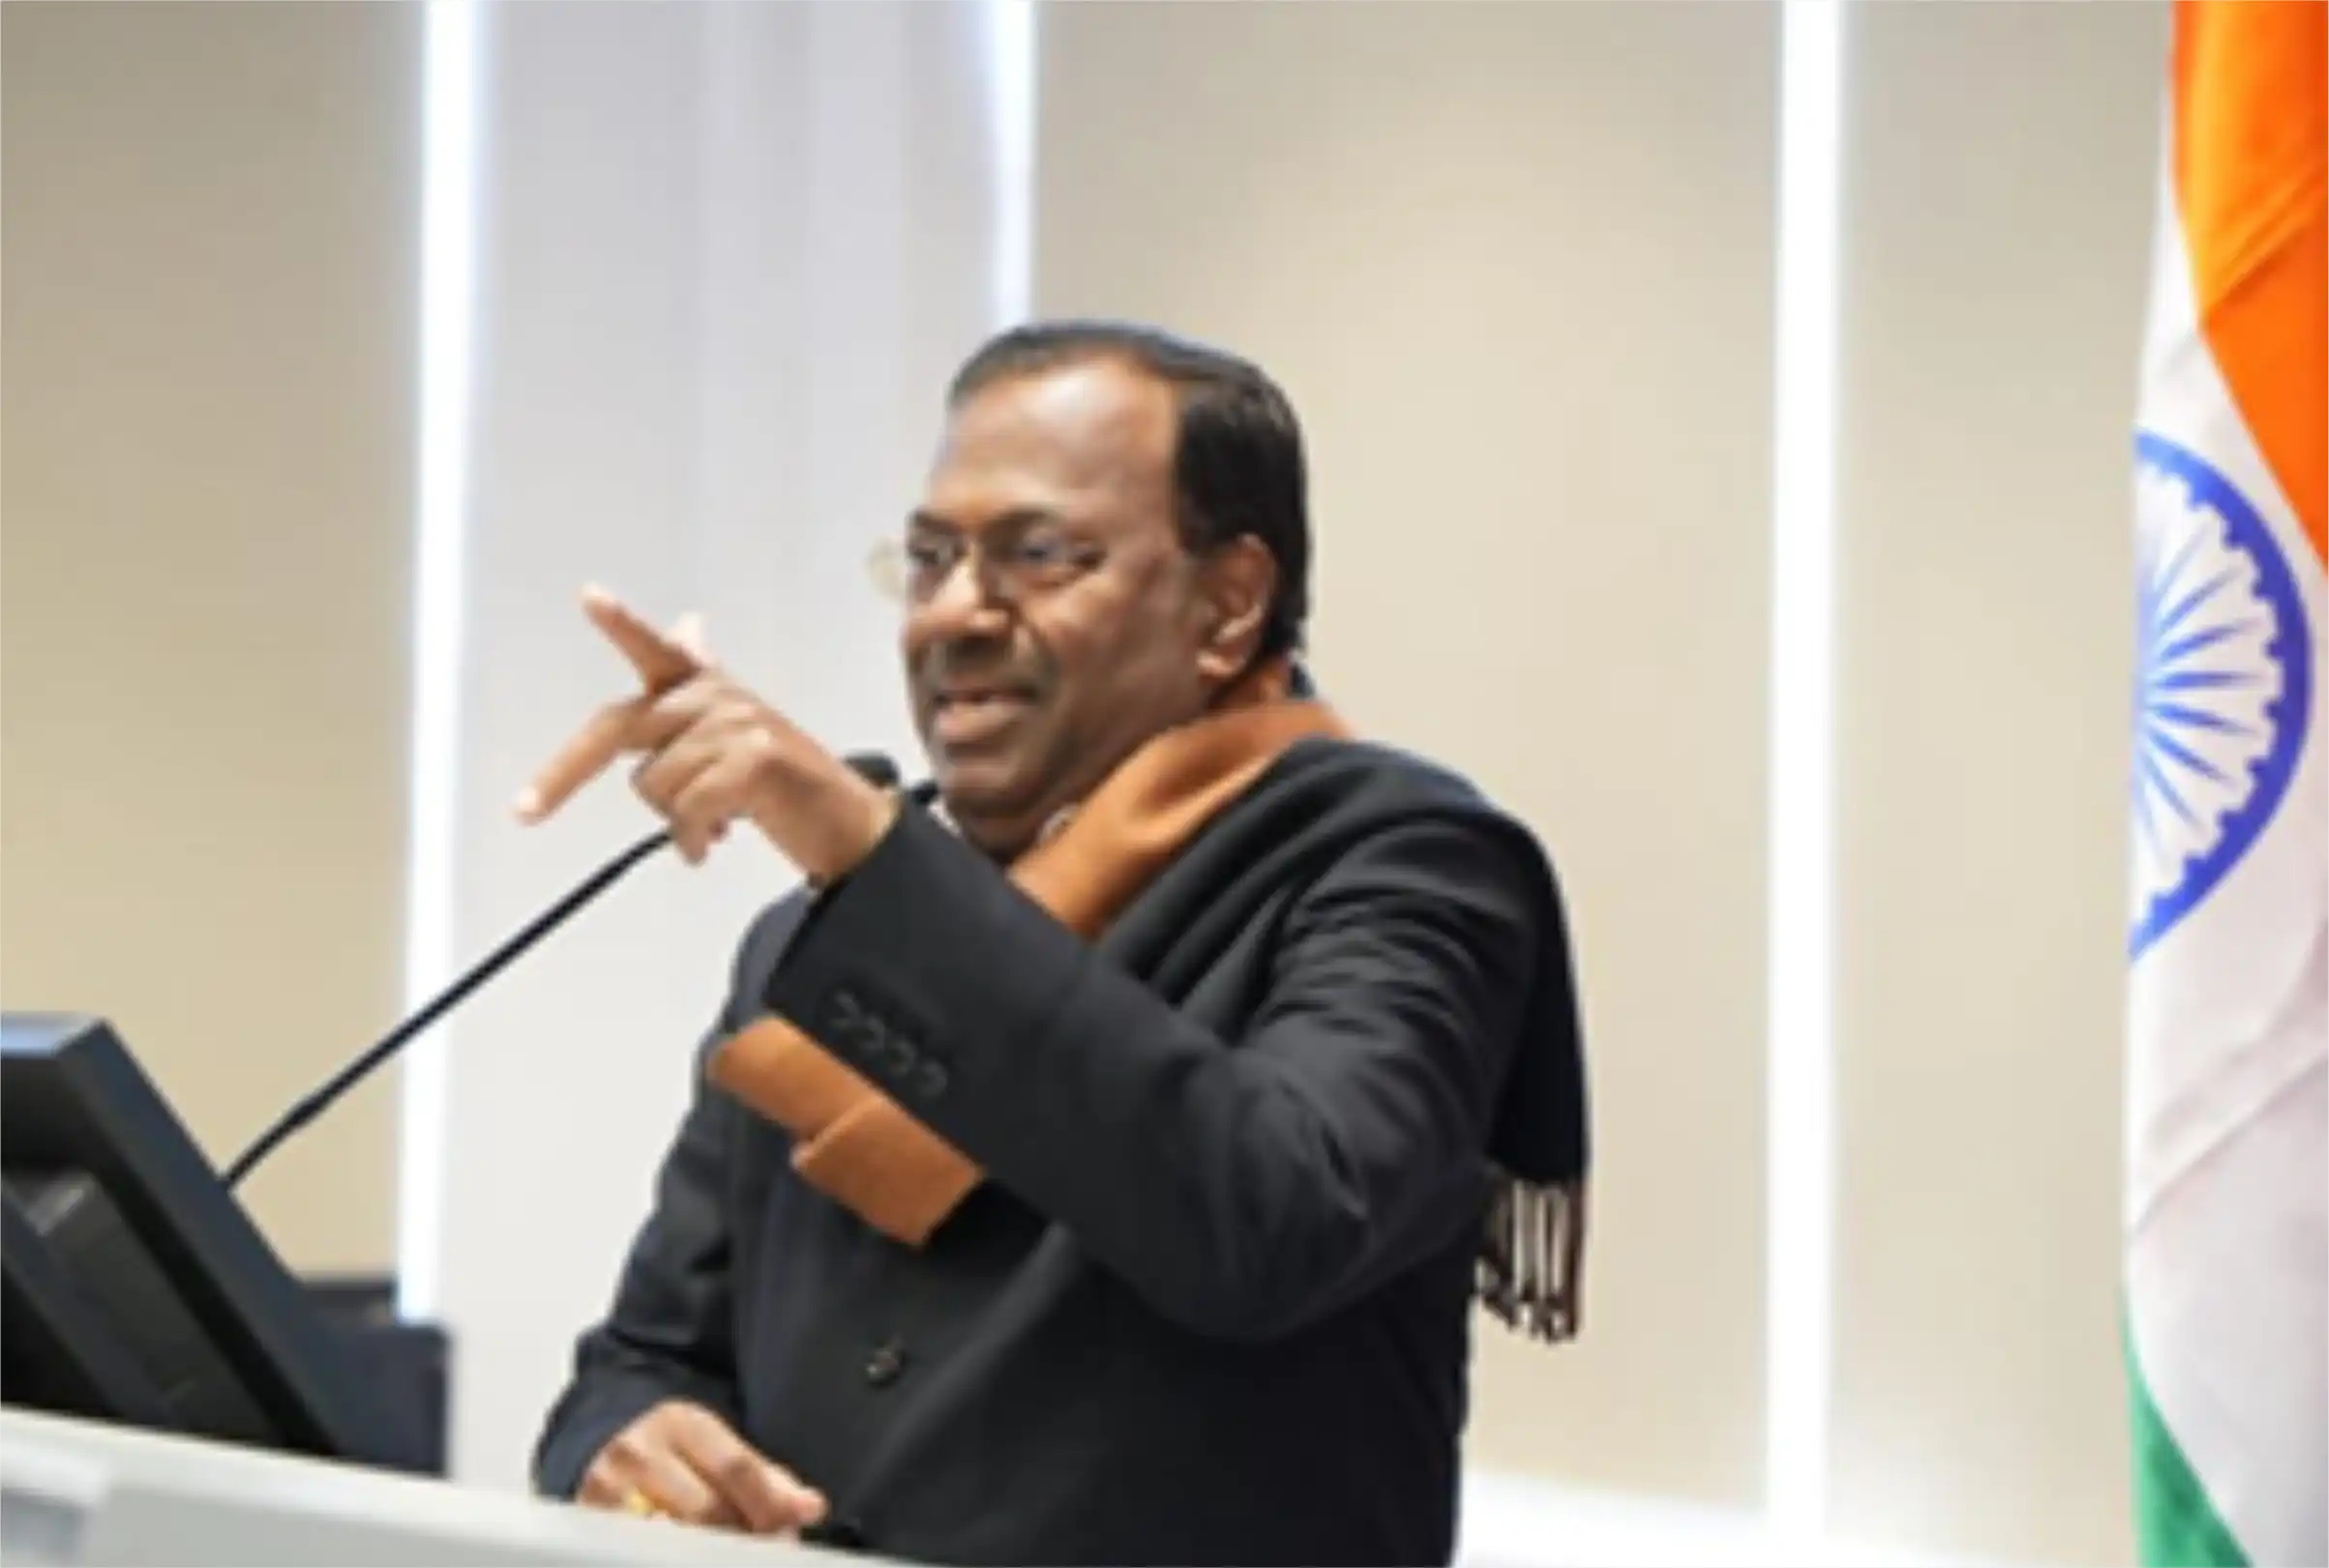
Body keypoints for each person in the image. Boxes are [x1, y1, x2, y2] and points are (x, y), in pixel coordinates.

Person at [521, 320, 1590, 1567]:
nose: (951, 616)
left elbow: (1275, 1219)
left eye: (1036, 556)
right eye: (929, 559)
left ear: (1227, 605)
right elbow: (645, 1360)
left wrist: (874, 867)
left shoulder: (1402, 862)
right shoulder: (818, 941)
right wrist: (625, 1444)